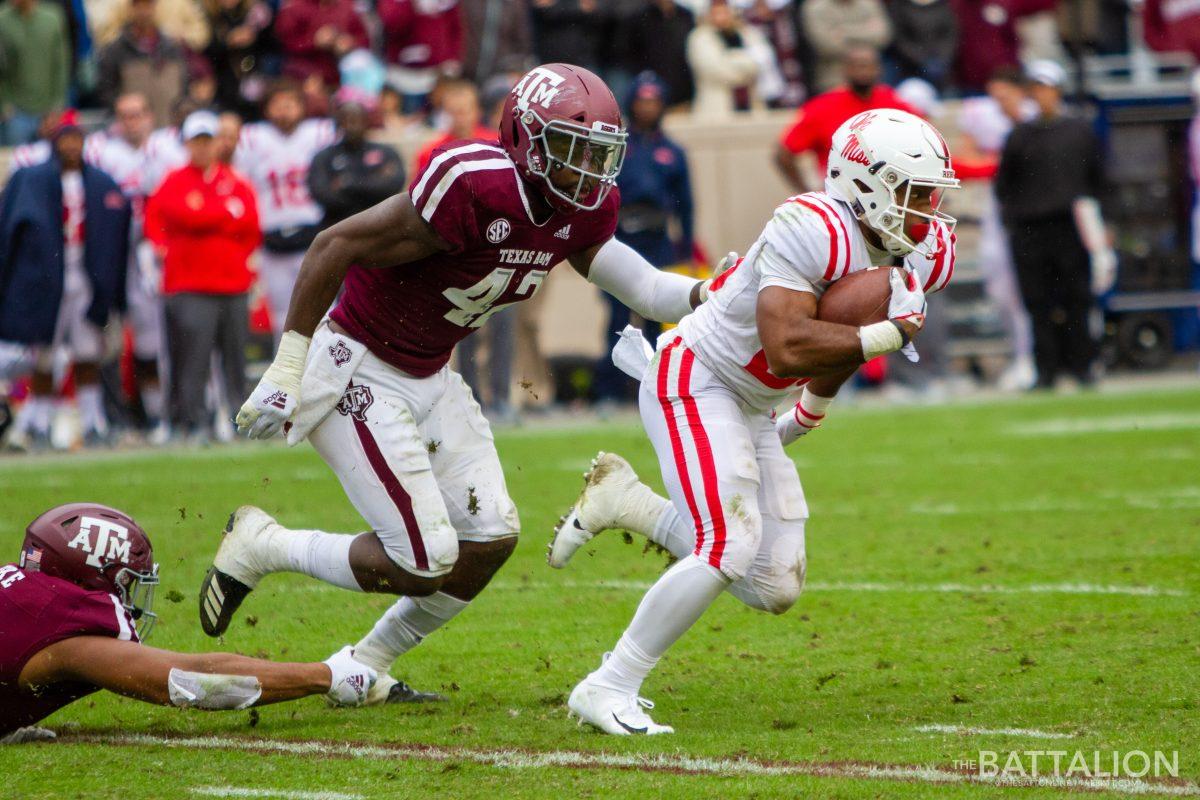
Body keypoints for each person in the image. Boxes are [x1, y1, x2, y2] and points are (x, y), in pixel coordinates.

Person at [198, 63, 722, 707]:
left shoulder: (579, 210)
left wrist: (710, 291)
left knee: (491, 539)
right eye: (572, 147)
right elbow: (333, 244)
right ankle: (265, 545)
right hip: (357, 364)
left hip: (431, 370)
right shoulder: (474, 183)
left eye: (598, 152)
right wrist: (288, 363)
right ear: (527, 139)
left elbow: (640, 285)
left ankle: (365, 666)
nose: (588, 168)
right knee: (423, 560)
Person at [549, 108, 959, 734]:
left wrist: (810, 411)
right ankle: (609, 684)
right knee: (727, 546)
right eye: (915, 192)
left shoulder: (922, 250)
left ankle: (626, 503)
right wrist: (883, 334)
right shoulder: (813, 224)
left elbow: (837, 342)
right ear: (868, 183)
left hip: (752, 401)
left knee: (773, 584)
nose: (928, 210)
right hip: (697, 376)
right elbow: (789, 345)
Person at [1, 502, 377, 742]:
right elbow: (189, 681)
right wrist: (327, 676)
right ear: (93, 576)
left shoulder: (24, 592)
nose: (131, 598)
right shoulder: (62, 625)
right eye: (129, 583)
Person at [0, 111, 131, 449]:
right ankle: (38, 423)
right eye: (66, 139)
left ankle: (92, 422)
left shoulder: (101, 182)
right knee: (46, 354)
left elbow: (116, 237)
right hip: (47, 279)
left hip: (85, 277)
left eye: (77, 139)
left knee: (88, 353)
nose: (71, 145)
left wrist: (111, 289)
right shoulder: (33, 179)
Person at [145, 111, 261, 442]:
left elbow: (251, 225)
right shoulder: (174, 180)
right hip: (190, 283)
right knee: (191, 358)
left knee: (235, 357)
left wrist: (205, 218)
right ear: (187, 144)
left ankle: (239, 420)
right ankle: (191, 420)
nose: (203, 147)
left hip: (232, 282)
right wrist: (223, 215)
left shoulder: (235, 180)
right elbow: (177, 215)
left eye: (208, 140)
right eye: (197, 141)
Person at [994, 60, 1107, 389]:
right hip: (1030, 228)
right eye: (1036, 89)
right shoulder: (1019, 135)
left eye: (1046, 88)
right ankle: (1046, 369)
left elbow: (1098, 180)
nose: (1041, 95)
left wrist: (1102, 223)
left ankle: (1082, 365)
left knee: (1076, 297)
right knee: (1037, 301)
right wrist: (1013, 222)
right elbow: (1005, 186)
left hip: (1071, 224)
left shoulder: (1079, 131)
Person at [596, 71, 693, 407]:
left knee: (659, 320)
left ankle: (660, 389)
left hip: (657, 238)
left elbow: (686, 203)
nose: (648, 108)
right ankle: (609, 392)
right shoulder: (619, 147)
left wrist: (686, 246)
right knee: (618, 320)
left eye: (654, 101)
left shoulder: (673, 151)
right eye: (642, 101)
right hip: (622, 237)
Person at [88, 92, 170, 439]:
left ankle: (164, 413)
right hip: (117, 252)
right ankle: (137, 414)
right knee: (124, 339)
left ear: (150, 116)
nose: (132, 121)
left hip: (160, 251)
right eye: (125, 115)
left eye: (137, 114)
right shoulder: (102, 152)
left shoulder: (169, 150)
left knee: (166, 339)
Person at [234, 81, 336, 338]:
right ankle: (288, 376)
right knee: (283, 316)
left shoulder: (320, 132)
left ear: (302, 107)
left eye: (289, 105)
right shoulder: (252, 138)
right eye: (277, 106)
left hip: (312, 234)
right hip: (271, 236)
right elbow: (241, 185)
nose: (284, 111)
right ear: (266, 109)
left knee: (325, 313)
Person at [956, 66, 1036, 391]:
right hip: (998, 208)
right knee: (1000, 288)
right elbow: (966, 160)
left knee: (1030, 286)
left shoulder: (1032, 116)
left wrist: (997, 164)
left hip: (1031, 207)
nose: (998, 101)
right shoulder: (981, 113)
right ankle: (1021, 355)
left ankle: (1033, 356)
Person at [774, 46, 920, 193]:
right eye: (857, 66)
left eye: (868, 65)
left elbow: (924, 145)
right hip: (843, 198)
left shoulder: (894, 103)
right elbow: (784, 155)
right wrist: (806, 193)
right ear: (845, 69)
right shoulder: (822, 107)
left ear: (879, 69)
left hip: (893, 194)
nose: (863, 71)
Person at [308, 98, 407, 228]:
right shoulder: (324, 157)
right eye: (345, 120)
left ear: (367, 122)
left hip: (379, 224)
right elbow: (322, 194)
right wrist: (373, 184)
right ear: (338, 124)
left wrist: (348, 183)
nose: (351, 126)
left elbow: (394, 184)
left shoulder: (386, 152)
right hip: (338, 224)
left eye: (356, 120)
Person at [95, 0, 188, 127]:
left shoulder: (172, 48)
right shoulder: (115, 50)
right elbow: (106, 92)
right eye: (139, 6)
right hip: (132, 135)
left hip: (169, 130)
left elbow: (184, 88)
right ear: (130, 9)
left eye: (148, 5)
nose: (144, 12)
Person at [0, 0, 70, 146]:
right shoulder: (3, 20)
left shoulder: (52, 18)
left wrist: (57, 106)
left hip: (47, 111)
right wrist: (4, 105)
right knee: (14, 162)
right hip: (15, 112)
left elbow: (60, 65)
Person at [686, 0, 770, 118]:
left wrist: (730, 60)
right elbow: (715, 70)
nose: (721, 17)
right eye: (716, 13)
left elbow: (761, 63)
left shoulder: (749, 34)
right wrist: (744, 63)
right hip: (716, 111)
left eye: (724, 12)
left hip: (751, 107)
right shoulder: (699, 38)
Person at [274, 0, 369, 89]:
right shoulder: (295, 7)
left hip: (341, 76)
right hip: (302, 75)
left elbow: (364, 39)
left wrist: (349, 42)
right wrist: (313, 41)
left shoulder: (347, 6)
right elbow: (284, 42)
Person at [802, 0, 891, 93]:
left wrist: (842, 32)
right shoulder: (815, 7)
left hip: (874, 78)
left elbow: (882, 37)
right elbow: (825, 45)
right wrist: (864, 32)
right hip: (833, 77)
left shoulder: (870, 3)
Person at [414, 80, 497, 172]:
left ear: (477, 111)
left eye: (463, 112)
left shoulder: (496, 144)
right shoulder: (431, 155)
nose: (458, 118)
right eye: (451, 112)